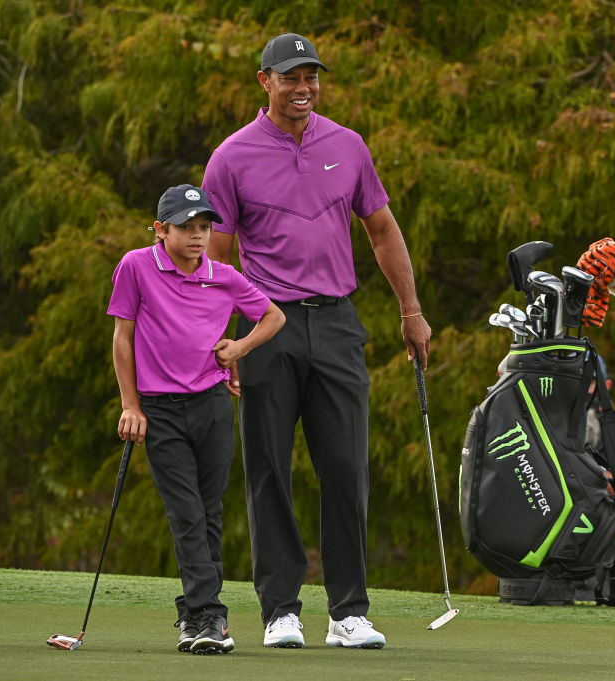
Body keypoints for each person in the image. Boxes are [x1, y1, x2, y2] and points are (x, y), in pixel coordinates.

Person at [202, 33, 432, 650]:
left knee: (346, 470)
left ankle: (348, 612)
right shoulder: (232, 157)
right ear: (264, 82)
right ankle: (281, 610)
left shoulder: (347, 145)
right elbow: (218, 256)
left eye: (312, 77)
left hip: (336, 323)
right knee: (269, 470)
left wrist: (410, 310)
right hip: (268, 327)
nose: (303, 88)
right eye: (290, 77)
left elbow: (381, 229)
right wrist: (229, 341)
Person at [108, 184, 285, 654]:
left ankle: (193, 614)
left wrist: (238, 348)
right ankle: (211, 617)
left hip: (210, 405)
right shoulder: (137, 266)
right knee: (186, 513)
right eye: (186, 227)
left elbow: (272, 316)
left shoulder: (223, 276)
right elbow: (123, 338)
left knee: (208, 514)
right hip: (160, 410)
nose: (198, 236)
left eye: (205, 227)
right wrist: (130, 405)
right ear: (160, 229)